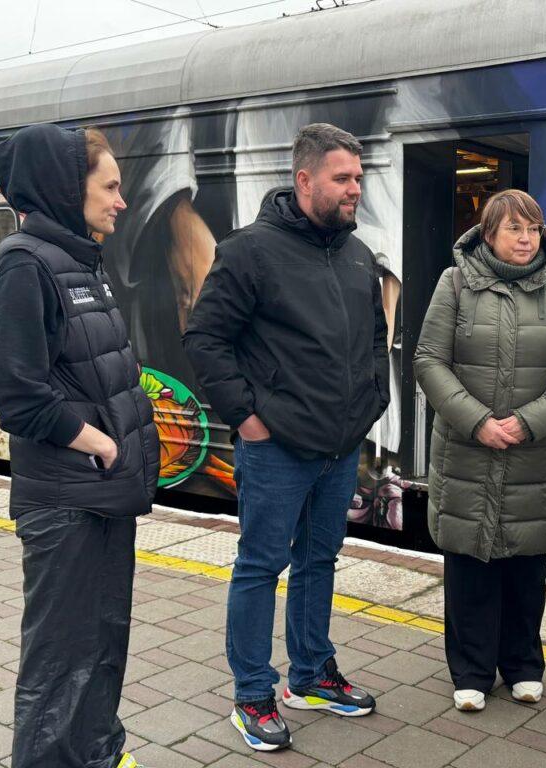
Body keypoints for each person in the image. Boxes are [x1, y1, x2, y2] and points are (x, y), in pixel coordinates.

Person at [183, 123, 389, 752]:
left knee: (319, 560)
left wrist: (373, 402)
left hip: (340, 446)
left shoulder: (357, 256)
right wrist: (246, 418)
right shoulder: (250, 251)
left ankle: (311, 675)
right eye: (342, 178)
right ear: (304, 180)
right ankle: (252, 693)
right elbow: (204, 338)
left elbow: (374, 339)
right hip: (276, 447)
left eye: (358, 178)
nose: (354, 188)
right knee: (260, 566)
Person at [0, 123, 160, 768]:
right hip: (66, 501)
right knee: (61, 659)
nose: (121, 201)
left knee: (103, 643)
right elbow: (21, 397)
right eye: (109, 187)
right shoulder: (23, 266)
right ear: (65, 188)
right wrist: (104, 445)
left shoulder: (81, 261)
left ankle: (98, 753)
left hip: (102, 495)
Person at [414, 189, 546, 712]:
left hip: (533, 454)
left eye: (533, 228)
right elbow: (429, 360)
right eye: (514, 228)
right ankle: (471, 671)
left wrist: (528, 422)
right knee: (469, 564)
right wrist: (477, 422)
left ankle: (523, 665)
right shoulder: (455, 282)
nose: (526, 239)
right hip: (466, 451)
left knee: (525, 563)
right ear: (488, 233)